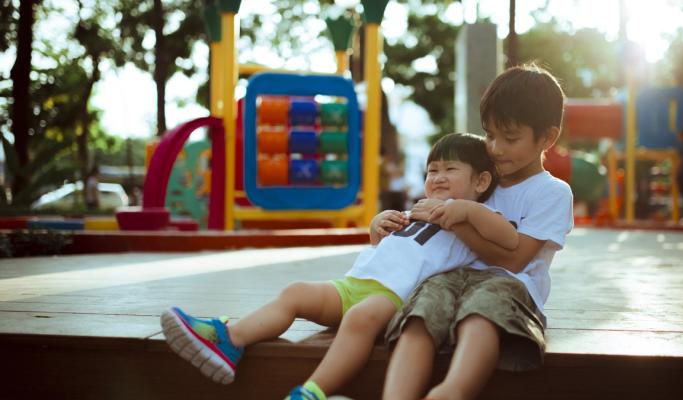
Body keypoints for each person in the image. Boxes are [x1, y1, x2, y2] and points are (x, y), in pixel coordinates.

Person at [159, 133, 519, 400]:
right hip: (355, 283)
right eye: (432, 170)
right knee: (296, 292)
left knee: (360, 318)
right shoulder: (419, 208)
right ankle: (230, 340)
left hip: (396, 299)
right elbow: (390, 246)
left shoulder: (477, 219)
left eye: (450, 169)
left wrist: (466, 211)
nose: (437, 177)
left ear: (481, 181)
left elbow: (507, 238)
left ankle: (312, 392)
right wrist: (378, 225)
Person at [382, 63, 574, 400]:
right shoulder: (481, 179)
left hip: (511, 286)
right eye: (489, 135)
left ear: (547, 137)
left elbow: (515, 260)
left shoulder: (552, 192)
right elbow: (433, 212)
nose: (496, 148)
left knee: (481, 311)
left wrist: (456, 220)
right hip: (453, 275)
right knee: (422, 309)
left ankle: (451, 392)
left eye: (510, 138)